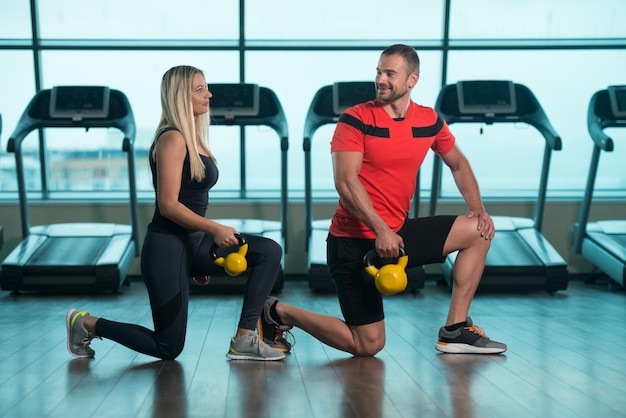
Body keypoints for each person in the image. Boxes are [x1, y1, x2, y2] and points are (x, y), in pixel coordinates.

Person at [260, 44, 506, 356]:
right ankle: (277, 311)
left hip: (397, 233)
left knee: (478, 231)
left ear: (412, 79)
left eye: (390, 73)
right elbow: (346, 182)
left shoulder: (429, 120)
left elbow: (457, 163)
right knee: (369, 345)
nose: (381, 79)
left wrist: (478, 210)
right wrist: (380, 230)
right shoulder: (356, 119)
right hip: (353, 242)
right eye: (379, 72)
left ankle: (455, 330)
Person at [66, 65, 286, 361]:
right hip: (167, 248)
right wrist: (214, 229)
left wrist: (199, 256)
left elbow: (192, 199)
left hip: (193, 245)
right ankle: (85, 323)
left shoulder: (193, 137)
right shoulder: (172, 138)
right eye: (199, 89)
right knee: (168, 347)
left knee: (269, 251)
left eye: (206, 87)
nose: (209, 94)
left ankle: (245, 338)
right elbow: (168, 205)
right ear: (180, 96)